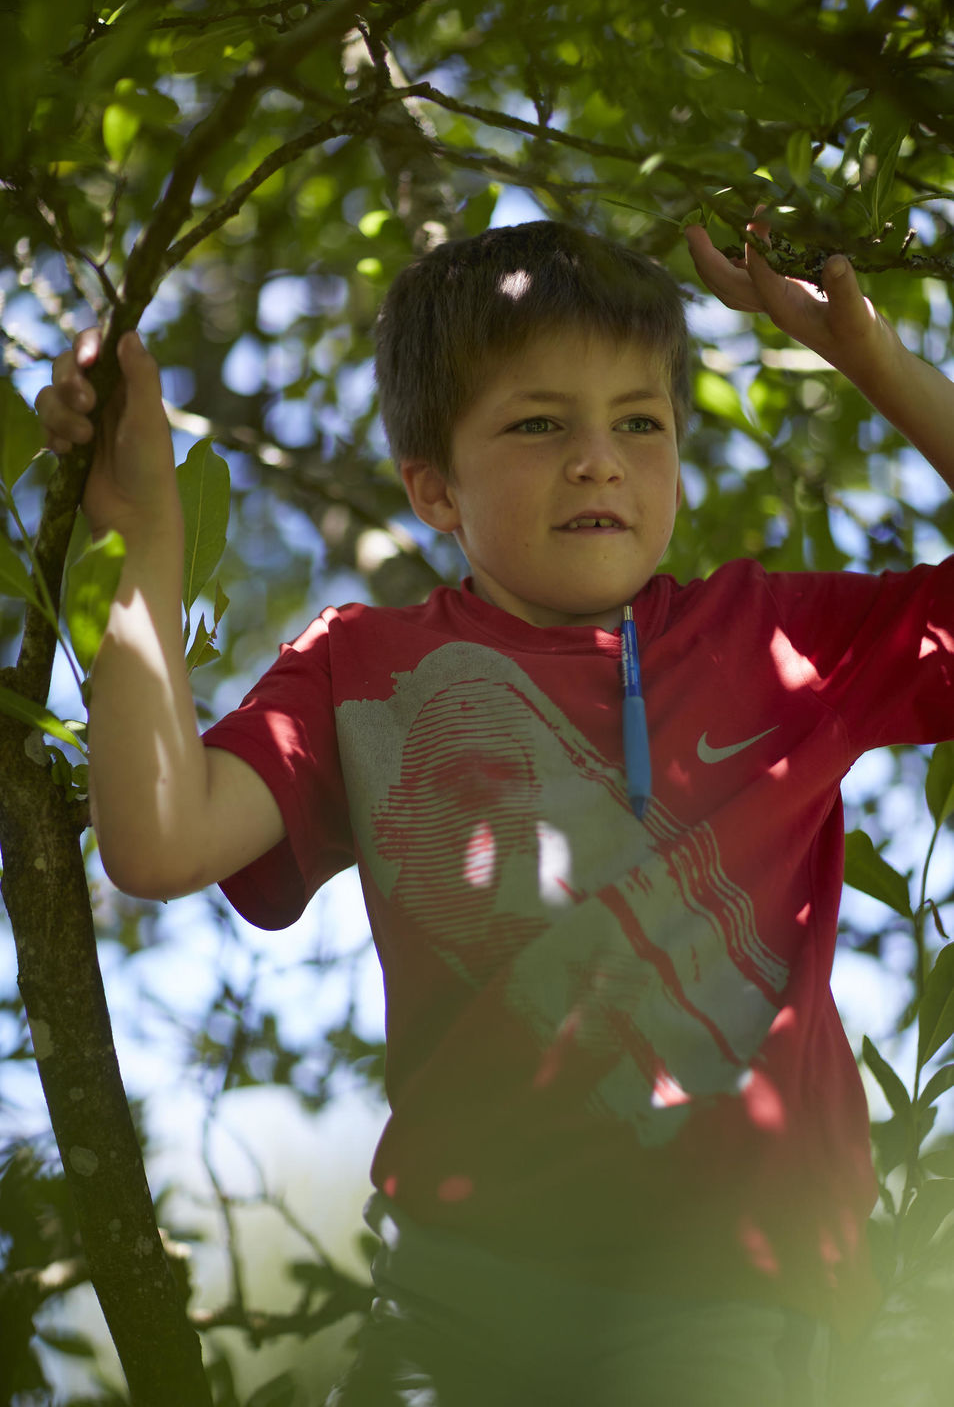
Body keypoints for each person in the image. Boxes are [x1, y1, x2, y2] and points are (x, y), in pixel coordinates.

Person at [35, 215, 954, 1407]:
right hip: (457, 1291)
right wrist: (140, 536)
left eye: (641, 421)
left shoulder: (776, 639)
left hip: (733, 1280)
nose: (598, 458)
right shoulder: (361, 668)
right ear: (433, 486)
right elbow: (157, 839)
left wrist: (874, 361)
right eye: (538, 423)